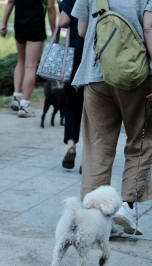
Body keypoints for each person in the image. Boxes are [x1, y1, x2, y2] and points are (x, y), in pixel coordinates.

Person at [71, 0, 152, 235]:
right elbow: (150, 27)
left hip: (96, 73)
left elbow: (82, 30)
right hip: (135, 74)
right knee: (139, 140)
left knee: (97, 145)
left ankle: (95, 219)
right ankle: (128, 207)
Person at [0, 0, 56, 118]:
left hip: (19, 24)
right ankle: (25, 105)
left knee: (21, 61)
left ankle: (17, 97)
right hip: (36, 25)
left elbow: (11, 1)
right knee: (31, 66)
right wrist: (54, 31)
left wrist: (3, 24)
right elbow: (51, 7)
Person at [59, 0, 85, 170]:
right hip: (100, 62)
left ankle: (71, 146)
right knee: (95, 110)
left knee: (72, 106)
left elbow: (63, 21)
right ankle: (90, 157)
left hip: (75, 60)